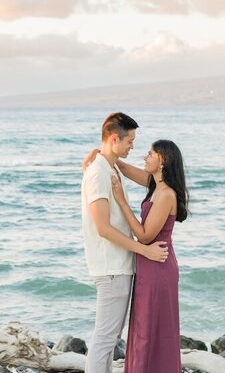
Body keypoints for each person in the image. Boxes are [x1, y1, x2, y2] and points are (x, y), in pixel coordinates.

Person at [86, 139, 190, 373]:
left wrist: (121, 200)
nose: (145, 157)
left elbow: (144, 236)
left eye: (150, 153)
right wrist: (103, 157)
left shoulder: (166, 195)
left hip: (157, 265)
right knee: (143, 327)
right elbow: (123, 168)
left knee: (151, 328)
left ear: (162, 161)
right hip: (147, 264)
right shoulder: (155, 184)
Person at [81, 112, 169, 373]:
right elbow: (103, 228)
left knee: (108, 340)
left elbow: (152, 180)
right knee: (105, 339)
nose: (133, 146)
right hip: (111, 268)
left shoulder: (107, 167)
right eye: (129, 141)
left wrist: (110, 159)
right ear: (114, 138)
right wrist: (145, 250)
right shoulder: (98, 173)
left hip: (119, 265)